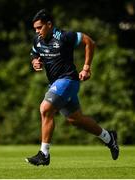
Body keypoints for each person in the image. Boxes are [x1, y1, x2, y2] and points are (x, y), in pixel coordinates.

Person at [25, 9, 119, 166]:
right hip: (57, 84)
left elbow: (89, 42)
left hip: (68, 80)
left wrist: (86, 67)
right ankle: (109, 138)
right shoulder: (37, 40)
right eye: (35, 28)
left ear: (49, 24)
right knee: (76, 119)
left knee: (45, 108)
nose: (37, 31)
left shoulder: (64, 36)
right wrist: (35, 61)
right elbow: (34, 54)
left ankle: (44, 154)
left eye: (40, 27)